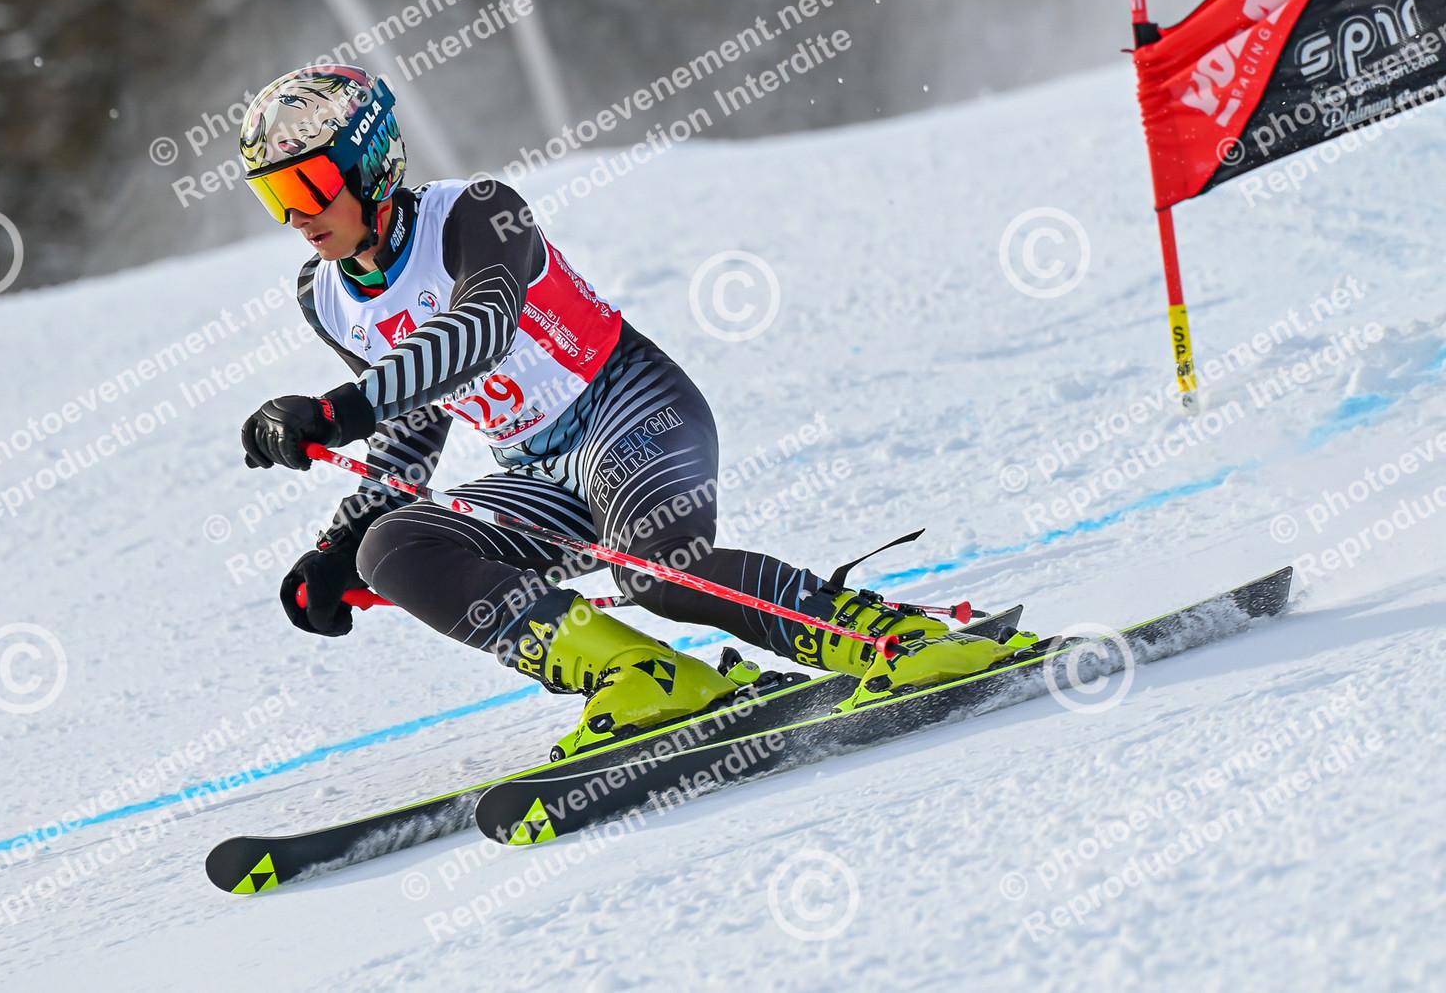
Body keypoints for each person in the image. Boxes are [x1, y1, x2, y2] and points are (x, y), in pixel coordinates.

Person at [236, 64, 1017, 756]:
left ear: (371, 162)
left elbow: (480, 328)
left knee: (655, 570)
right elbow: (415, 420)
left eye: (308, 186)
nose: (295, 216)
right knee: (394, 546)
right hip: (537, 472)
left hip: (631, 410)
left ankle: (891, 638)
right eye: (275, 196)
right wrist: (339, 545)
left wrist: (336, 411)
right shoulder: (325, 296)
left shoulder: (477, 211)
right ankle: (642, 675)